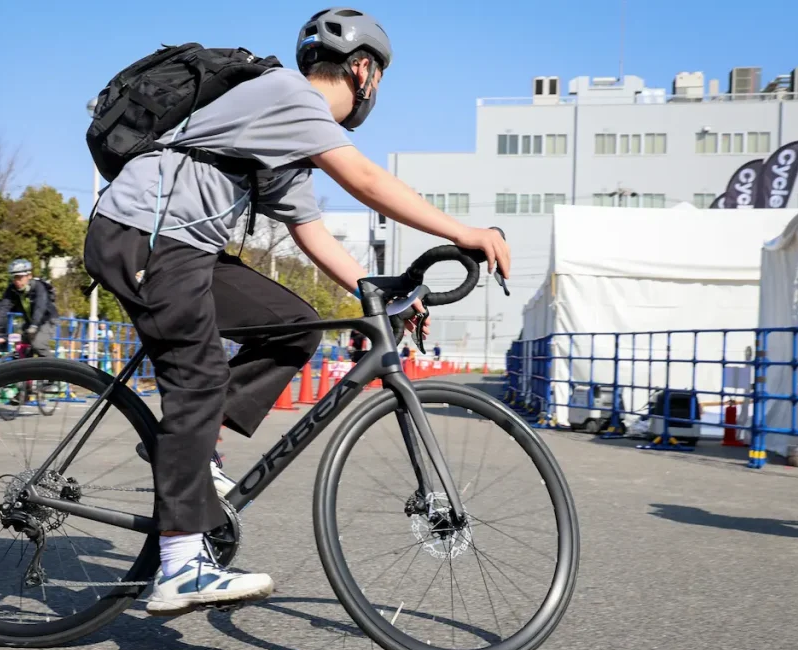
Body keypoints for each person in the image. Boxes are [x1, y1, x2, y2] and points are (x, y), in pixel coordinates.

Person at [83, 7, 510, 617]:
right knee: (198, 375)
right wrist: (463, 231)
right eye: (380, 78)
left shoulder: (285, 138)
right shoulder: (288, 96)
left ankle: (186, 448)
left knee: (296, 325)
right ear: (363, 71)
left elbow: (312, 234)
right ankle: (179, 565)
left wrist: (384, 297)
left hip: (184, 246)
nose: (377, 91)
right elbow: (363, 179)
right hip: (144, 234)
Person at [0, 259, 58, 358]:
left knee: (38, 345)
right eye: (14, 278)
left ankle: (56, 370)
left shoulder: (39, 287)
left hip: (47, 319)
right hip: (30, 321)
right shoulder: (12, 289)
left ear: (29, 276)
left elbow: (40, 307)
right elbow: (4, 307)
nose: (17, 281)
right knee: (23, 349)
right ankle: (27, 372)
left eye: (20, 277)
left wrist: (34, 325)